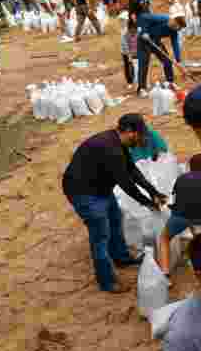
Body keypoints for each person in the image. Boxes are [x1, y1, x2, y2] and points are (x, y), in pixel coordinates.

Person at [62, 114, 167, 293]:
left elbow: (132, 170)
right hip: (84, 193)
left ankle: (121, 257)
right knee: (100, 236)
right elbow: (126, 183)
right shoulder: (110, 148)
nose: (141, 139)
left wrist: (154, 192)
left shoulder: (119, 142)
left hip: (100, 187)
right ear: (128, 132)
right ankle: (107, 282)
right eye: (139, 134)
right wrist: (147, 203)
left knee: (115, 219)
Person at [156, 155, 201, 276]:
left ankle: (165, 271)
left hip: (179, 216)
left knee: (164, 238)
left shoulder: (180, 178)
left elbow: (174, 198)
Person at [135, 0, 183, 97]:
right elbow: (142, 18)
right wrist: (143, 31)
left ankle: (170, 82)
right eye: (176, 28)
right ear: (173, 21)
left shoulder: (174, 31)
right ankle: (141, 88)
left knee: (167, 60)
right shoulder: (162, 18)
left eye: (178, 30)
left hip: (155, 41)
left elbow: (175, 44)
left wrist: (178, 61)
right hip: (144, 40)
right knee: (144, 63)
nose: (176, 30)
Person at [121, 16, 138, 89]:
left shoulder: (139, 32)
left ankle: (137, 81)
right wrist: (129, 56)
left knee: (137, 67)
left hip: (136, 51)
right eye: (131, 30)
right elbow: (125, 45)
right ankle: (129, 82)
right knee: (128, 67)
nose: (133, 32)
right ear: (129, 28)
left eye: (135, 30)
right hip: (126, 52)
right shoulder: (124, 34)